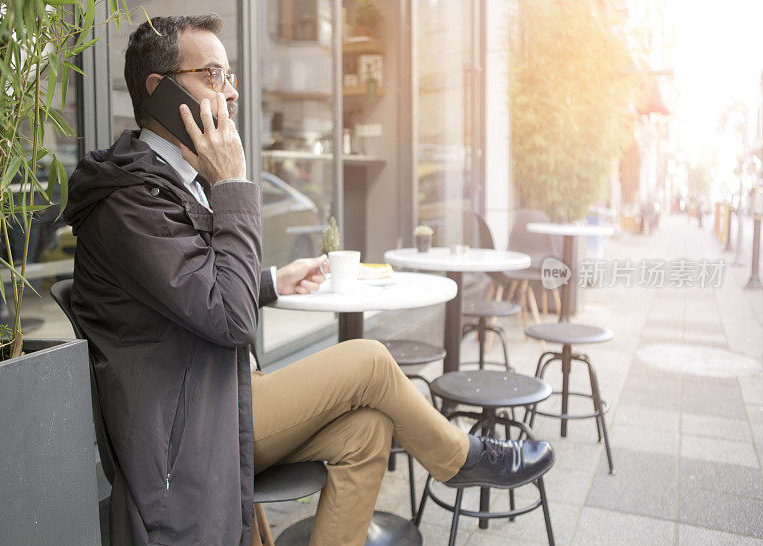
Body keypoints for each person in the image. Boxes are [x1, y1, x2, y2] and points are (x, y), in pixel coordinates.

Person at [64, 15, 554, 546]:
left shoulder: (169, 184)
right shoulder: (131, 202)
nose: (230, 94)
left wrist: (272, 280)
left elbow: (186, 291)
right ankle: (462, 460)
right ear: (160, 92)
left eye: (230, 77)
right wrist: (232, 183)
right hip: (186, 425)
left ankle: (458, 460)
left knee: (369, 431)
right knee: (369, 360)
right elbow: (226, 317)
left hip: (216, 391)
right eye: (212, 75)